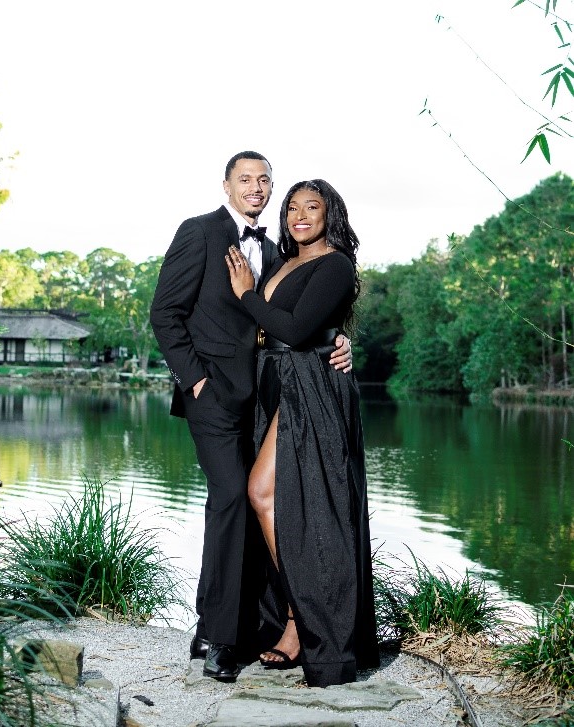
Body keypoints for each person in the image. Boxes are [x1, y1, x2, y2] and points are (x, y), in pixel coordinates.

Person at [149, 153, 352, 681]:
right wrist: (193, 379)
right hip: (213, 396)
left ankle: (236, 623)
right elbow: (164, 312)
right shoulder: (200, 233)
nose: (257, 188)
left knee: (258, 502)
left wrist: (341, 341)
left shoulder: (283, 249)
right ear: (227, 185)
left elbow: (308, 307)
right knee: (234, 497)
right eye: (246, 180)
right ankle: (220, 638)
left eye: (265, 180)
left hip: (268, 397)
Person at [225, 179, 379, 687]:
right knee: (273, 497)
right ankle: (294, 612)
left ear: (330, 213)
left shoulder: (335, 263)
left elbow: (294, 329)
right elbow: (292, 324)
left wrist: (246, 294)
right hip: (276, 382)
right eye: (292, 207)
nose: (298, 215)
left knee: (270, 493)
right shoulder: (280, 259)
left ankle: (303, 620)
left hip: (310, 386)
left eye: (312, 207)